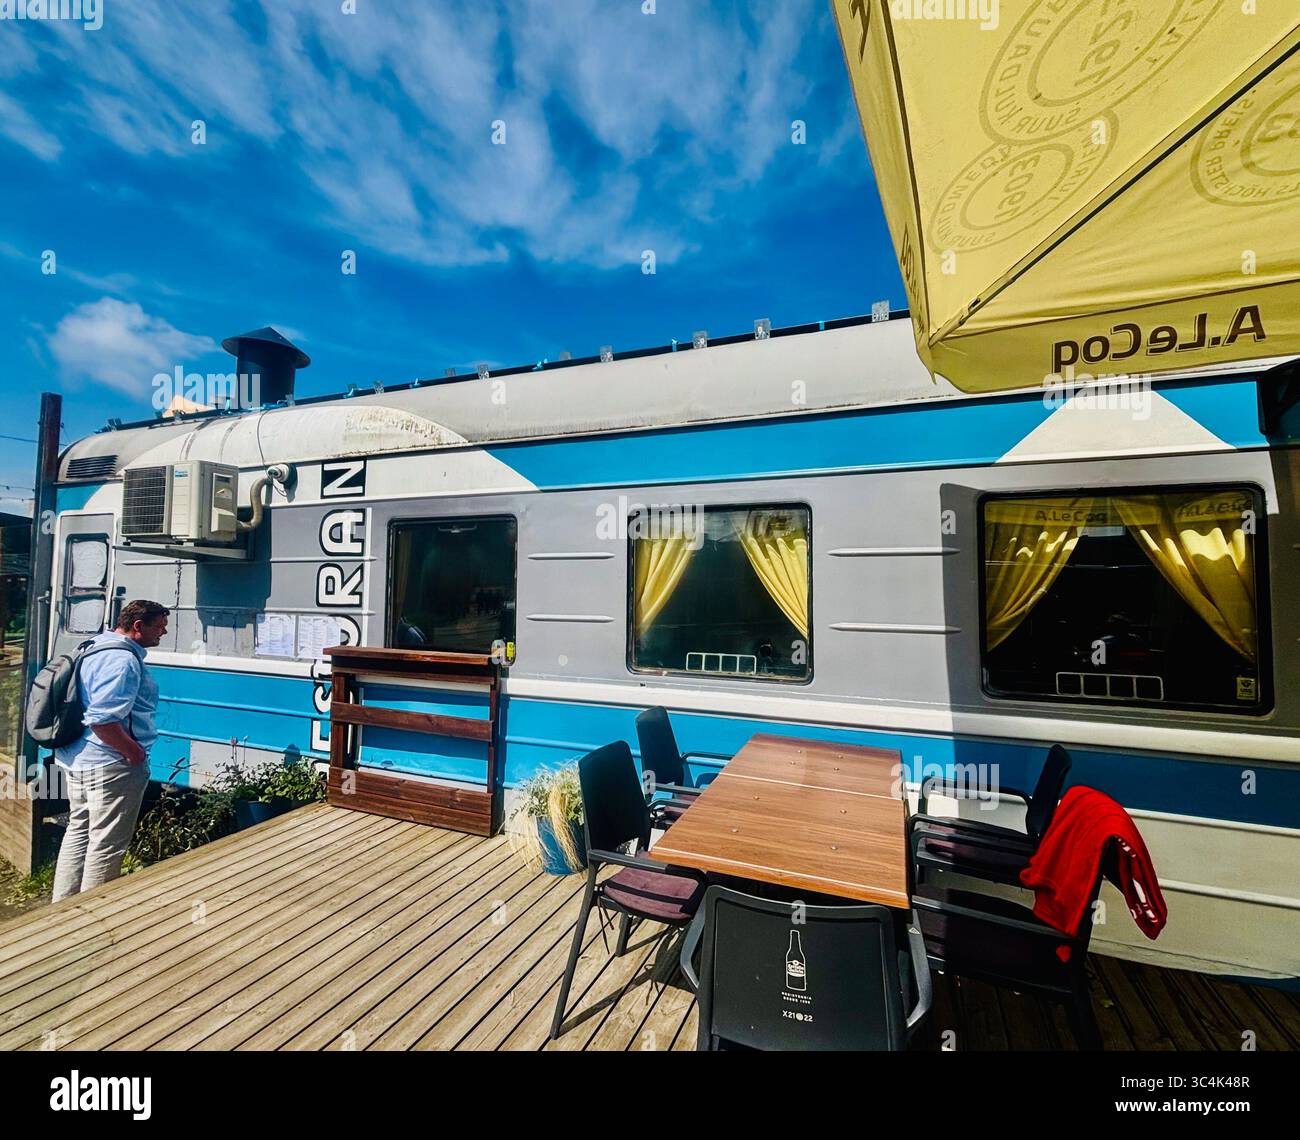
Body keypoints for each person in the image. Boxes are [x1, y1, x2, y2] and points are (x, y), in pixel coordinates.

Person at [52, 599, 169, 901]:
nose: (164, 632)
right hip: (110, 764)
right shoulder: (123, 661)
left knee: (78, 832)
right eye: (160, 626)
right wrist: (134, 753)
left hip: (77, 757)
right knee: (106, 843)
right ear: (138, 626)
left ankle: (59, 912)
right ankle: (94, 920)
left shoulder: (94, 646)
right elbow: (103, 720)